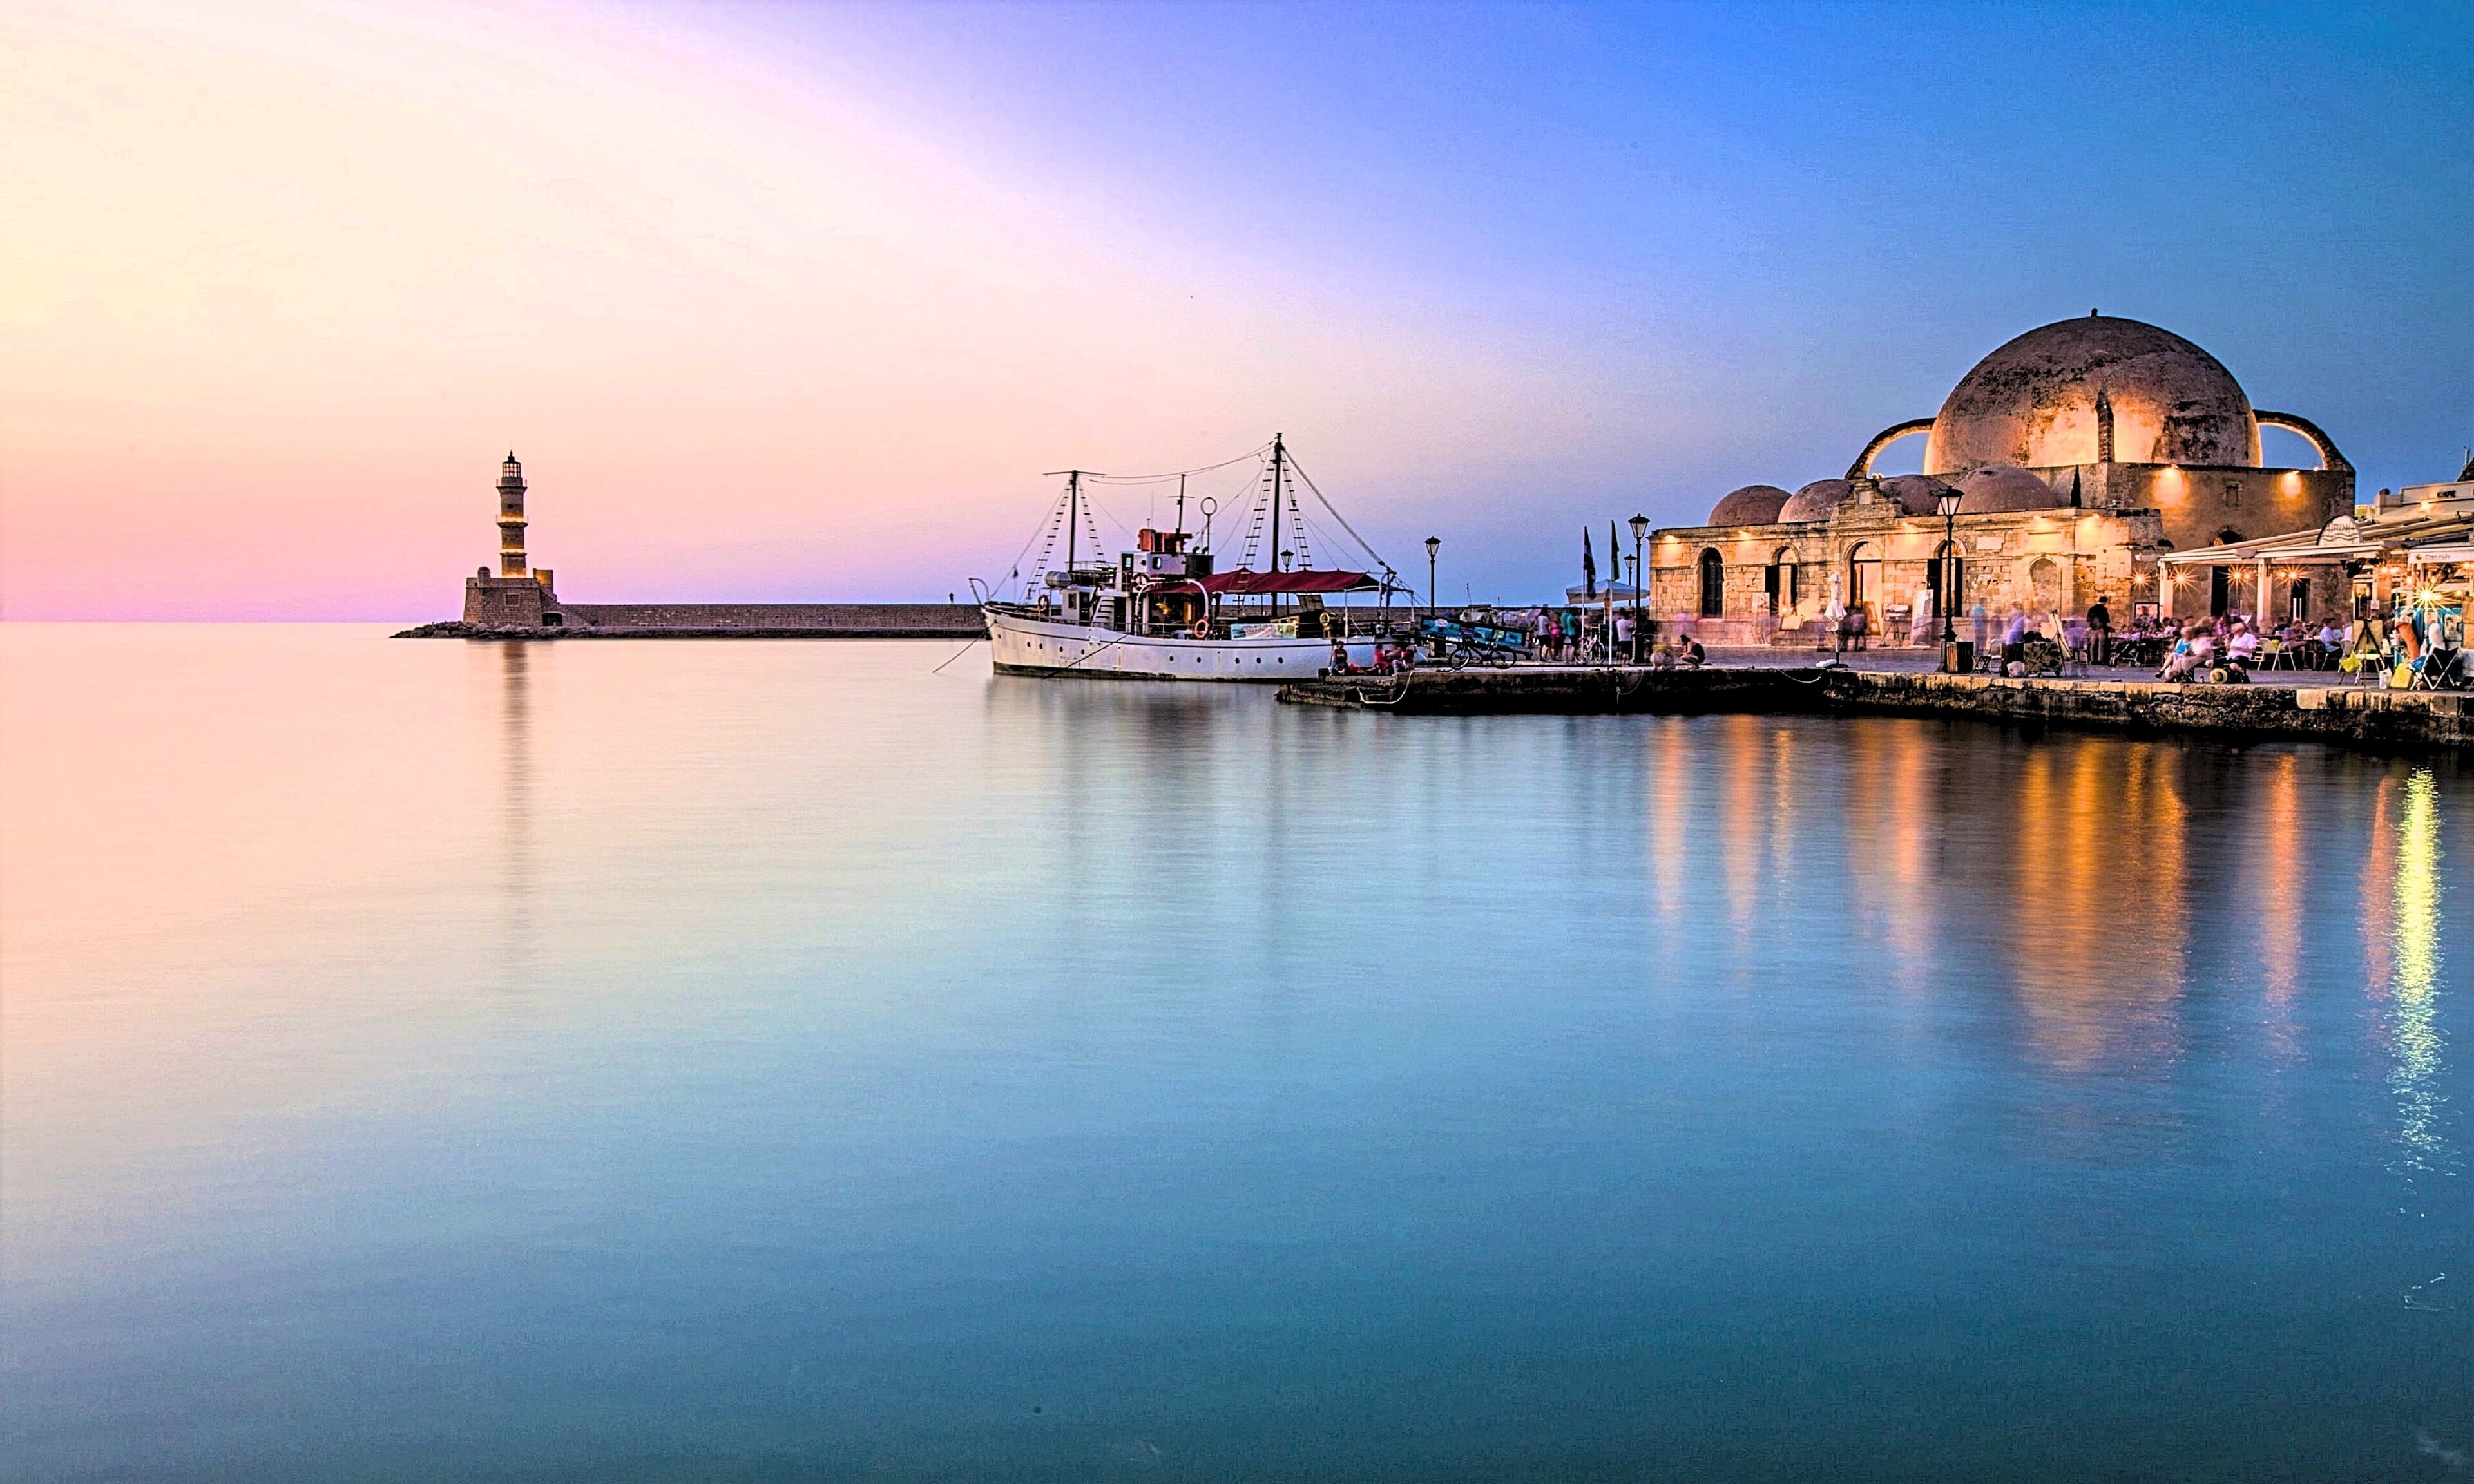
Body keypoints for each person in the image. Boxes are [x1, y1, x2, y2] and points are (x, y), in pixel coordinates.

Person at [2087, 595, 2113, 665]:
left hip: (2093, 629)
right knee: (2101, 645)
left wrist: (2092, 625)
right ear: (2105, 602)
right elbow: (2107, 620)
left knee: (2093, 645)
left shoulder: (2092, 609)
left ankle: (2092, 660)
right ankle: (2100, 660)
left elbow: (2088, 619)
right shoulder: (2104, 609)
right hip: (2101, 629)